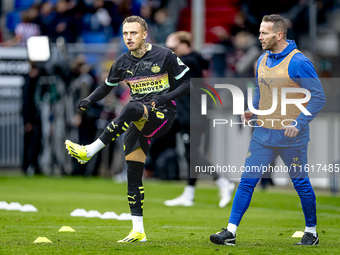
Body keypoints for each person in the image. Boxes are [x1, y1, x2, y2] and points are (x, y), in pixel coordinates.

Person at [65, 16, 191, 243]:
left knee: (132, 107)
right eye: (125, 34)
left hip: (163, 115)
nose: (128, 38)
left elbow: (189, 83)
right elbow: (106, 86)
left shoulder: (165, 55)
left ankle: (90, 150)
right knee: (133, 175)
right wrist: (89, 100)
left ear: (145, 34)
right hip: (137, 118)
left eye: (133, 33)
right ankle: (138, 230)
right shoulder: (122, 62)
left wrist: (166, 97)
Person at [210, 14, 326, 246]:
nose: (260, 36)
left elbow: (318, 97)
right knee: (246, 181)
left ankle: (311, 232)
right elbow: (260, 90)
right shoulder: (263, 59)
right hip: (263, 134)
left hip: (291, 136)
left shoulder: (299, 62)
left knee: (300, 183)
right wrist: (253, 109)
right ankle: (230, 232)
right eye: (260, 31)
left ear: (279, 35)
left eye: (264, 33)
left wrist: (298, 123)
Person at [162, 31, 235, 208]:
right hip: (186, 115)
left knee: (193, 155)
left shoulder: (190, 61)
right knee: (190, 156)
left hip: (192, 116)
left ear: (183, 44)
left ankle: (223, 182)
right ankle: (189, 194)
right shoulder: (190, 61)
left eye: (173, 46)